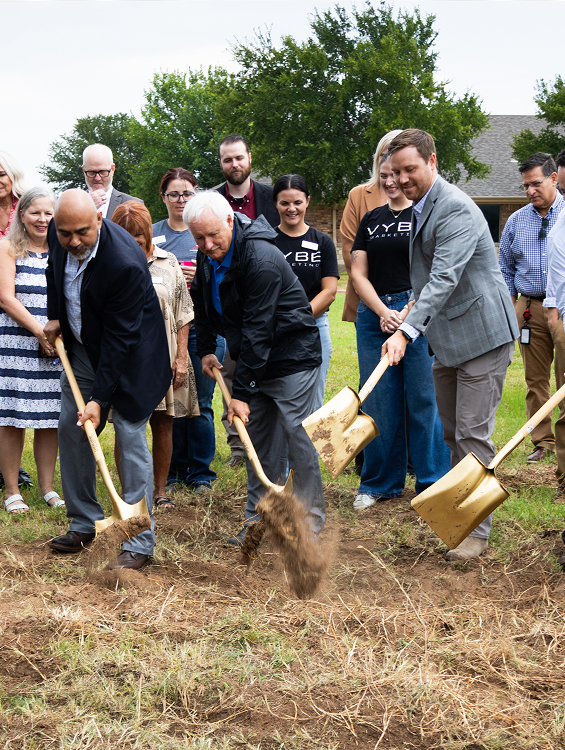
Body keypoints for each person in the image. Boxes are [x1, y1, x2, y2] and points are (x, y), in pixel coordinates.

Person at [384, 129, 518, 561]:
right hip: (448, 337)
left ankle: (477, 532)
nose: (402, 179)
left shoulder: (455, 208)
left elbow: (445, 276)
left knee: (473, 432)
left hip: (483, 334)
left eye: (410, 169)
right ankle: (461, 514)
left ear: (432, 161)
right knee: (451, 432)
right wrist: (410, 308)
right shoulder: (422, 206)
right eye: (397, 171)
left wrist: (407, 332)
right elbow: (429, 277)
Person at [187, 191, 325, 545]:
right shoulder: (207, 257)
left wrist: (242, 394)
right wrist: (204, 350)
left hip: (291, 357)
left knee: (299, 440)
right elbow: (201, 304)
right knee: (258, 445)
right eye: (199, 237)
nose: (207, 244)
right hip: (253, 354)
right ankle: (258, 522)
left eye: (213, 235)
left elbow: (258, 330)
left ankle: (310, 525)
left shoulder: (260, 258)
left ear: (230, 222)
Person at [44, 189, 170, 570]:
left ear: (99, 220)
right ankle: (84, 522)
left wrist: (99, 399)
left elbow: (120, 340)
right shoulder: (59, 231)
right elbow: (54, 272)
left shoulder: (124, 263)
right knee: (72, 425)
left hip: (133, 357)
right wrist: (54, 316)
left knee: (130, 436)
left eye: (82, 232)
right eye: (66, 234)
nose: (74, 241)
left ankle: (139, 541)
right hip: (84, 347)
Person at [349, 153, 450, 509]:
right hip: (375, 316)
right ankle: (380, 483)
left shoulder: (424, 214)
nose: (391, 181)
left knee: (424, 399)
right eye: (384, 175)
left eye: (396, 174)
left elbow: (436, 271)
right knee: (378, 402)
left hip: (418, 311)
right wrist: (382, 311)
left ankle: (432, 482)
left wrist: (405, 314)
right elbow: (358, 272)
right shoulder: (371, 219)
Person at [112, 201, 199, 510]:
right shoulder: (109, 263)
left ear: (147, 232)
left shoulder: (168, 261)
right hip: (125, 362)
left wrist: (179, 359)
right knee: (125, 427)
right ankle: (131, 496)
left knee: (164, 423)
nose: (132, 240)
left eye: (137, 234)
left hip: (164, 359)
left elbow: (183, 313)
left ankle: (159, 491)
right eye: (124, 234)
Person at [152, 168, 227, 493]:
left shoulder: (204, 230)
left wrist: (197, 276)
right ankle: (173, 471)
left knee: (202, 403)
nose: (180, 200)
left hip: (202, 328)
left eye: (186, 193)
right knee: (172, 403)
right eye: (174, 194)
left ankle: (200, 474)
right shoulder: (153, 233)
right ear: (163, 197)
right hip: (165, 334)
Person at [499, 154, 565, 486]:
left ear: (554, 178)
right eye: (525, 185)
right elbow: (505, 267)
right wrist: (511, 303)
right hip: (528, 307)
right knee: (535, 379)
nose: (529, 191)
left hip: (563, 308)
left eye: (536, 183)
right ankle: (543, 442)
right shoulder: (517, 221)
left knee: (564, 379)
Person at [215, 134, 279, 466]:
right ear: (221, 163)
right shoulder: (211, 201)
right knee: (232, 373)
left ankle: (268, 443)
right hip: (229, 302)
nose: (234, 164)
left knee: (268, 374)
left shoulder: (272, 198)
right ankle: (239, 448)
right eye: (227, 160)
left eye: (239, 158)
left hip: (267, 297)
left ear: (249, 158)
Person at [0, 187, 63, 513]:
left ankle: (48, 488)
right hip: (17, 345)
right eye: (35, 212)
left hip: (54, 350)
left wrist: (54, 337)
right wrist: (41, 332)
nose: (42, 219)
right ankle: (12, 491)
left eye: (48, 213)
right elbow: (5, 298)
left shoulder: (62, 251)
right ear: (21, 214)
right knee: (12, 417)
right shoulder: (8, 248)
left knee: (49, 418)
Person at [272, 174, 339, 409]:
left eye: (297, 202)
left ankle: (307, 447)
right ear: (275, 204)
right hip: (273, 331)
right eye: (284, 203)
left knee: (312, 404)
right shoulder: (265, 242)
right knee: (278, 400)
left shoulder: (322, 242)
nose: (292, 209)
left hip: (314, 328)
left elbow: (329, 291)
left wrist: (299, 319)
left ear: (307, 201)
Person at [339, 130, 403, 324]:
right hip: (366, 300)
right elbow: (350, 251)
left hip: (410, 302)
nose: (390, 159)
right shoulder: (358, 195)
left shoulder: (417, 196)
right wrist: (379, 304)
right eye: (386, 154)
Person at [0, 150, 34, 492]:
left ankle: (15, 470)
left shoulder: (26, 210)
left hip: (18, 312)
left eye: (1, 173)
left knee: (14, 398)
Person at [82, 144, 142, 220]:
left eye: (103, 172)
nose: (97, 178)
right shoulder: (70, 205)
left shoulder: (134, 205)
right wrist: (86, 208)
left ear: (112, 169)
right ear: (84, 170)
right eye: (92, 172)